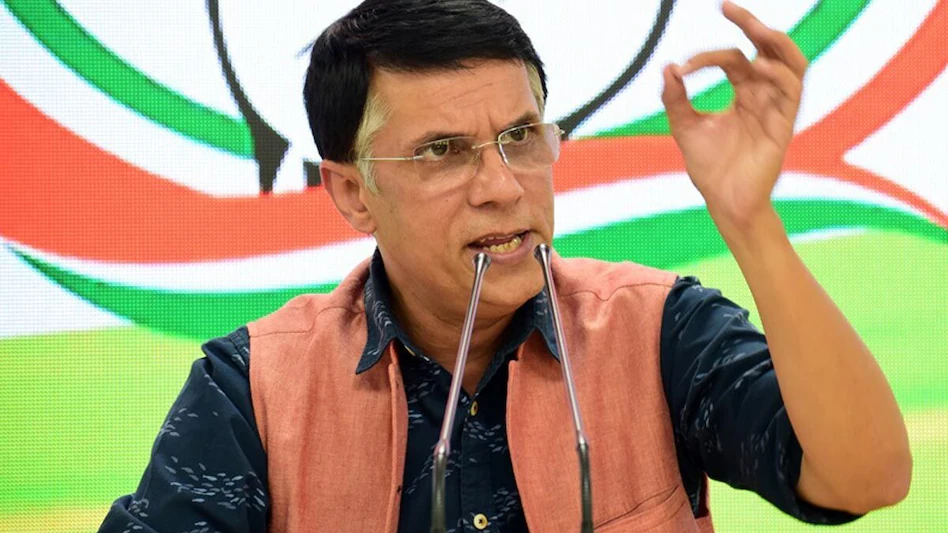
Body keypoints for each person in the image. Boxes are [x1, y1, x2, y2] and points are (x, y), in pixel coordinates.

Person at [99, 1, 912, 532]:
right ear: (352, 191)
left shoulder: (659, 329)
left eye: (520, 137)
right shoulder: (253, 386)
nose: (502, 186)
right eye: (443, 151)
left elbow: (864, 476)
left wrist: (748, 218)